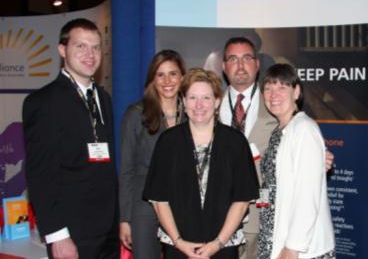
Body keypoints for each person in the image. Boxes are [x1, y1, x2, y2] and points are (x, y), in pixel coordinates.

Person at [219, 37, 335, 259]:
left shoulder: (286, 114)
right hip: (222, 216)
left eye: (247, 58)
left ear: (257, 64)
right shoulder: (208, 104)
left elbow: (305, 185)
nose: (240, 65)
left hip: (262, 219)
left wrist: (320, 156)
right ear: (224, 67)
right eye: (233, 59)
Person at [22, 18, 119, 259]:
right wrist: (57, 235)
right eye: (81, 46)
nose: (90, 54)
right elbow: (40, 175)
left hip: (107, 229)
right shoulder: (43, 102)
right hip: (72, 232)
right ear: (62, 50)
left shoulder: (103, 98)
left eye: (96, 47)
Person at [143, 68, 259, 259]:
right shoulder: (168, 142)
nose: (199, 105)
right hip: (178, 246)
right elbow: (159, 200)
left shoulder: (235, 142)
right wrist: (179, 242)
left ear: (217, 102)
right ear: (184, 101)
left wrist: (217, 244)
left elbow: (241, 200)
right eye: (192, 98)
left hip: (223, 246)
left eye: (206, 98)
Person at [258, 64, 335, 259]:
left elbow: (307, 194)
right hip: (274, 232)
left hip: (300, 248)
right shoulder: (279, 131)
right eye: (268, 88)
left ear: (297, 92)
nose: (274, 95)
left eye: (282, 87)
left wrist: (292, 247)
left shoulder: (304, 129)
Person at [119, 50, 187, 258]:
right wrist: (125, 219)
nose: (167, 80)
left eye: (173, 74)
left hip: (183, 203)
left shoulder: (193, 113)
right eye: (160, 74)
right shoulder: (136, 114)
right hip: (144, 205)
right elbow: (127, 170)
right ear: (152, 79)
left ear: (182, 77)